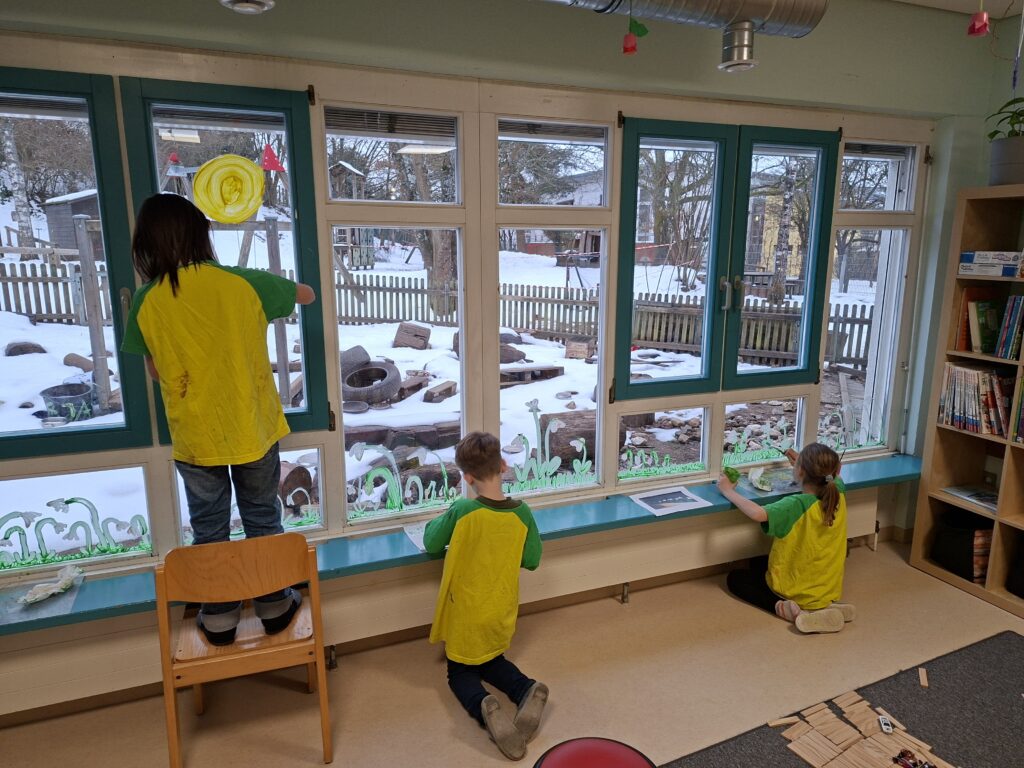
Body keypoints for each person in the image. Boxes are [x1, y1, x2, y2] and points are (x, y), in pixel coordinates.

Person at [121, 193, 316, 646]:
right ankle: (273, 607)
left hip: (195, 436)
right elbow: (306, 294)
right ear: (201, 236)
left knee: (209, 527)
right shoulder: (241, 283)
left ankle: (219, 618)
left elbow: (155, 370)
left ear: (147, 244)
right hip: (252, 427)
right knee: (262, 518)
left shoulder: (147, 300)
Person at [424, 432, 548, 762]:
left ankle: (483, 705)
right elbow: (532, 559)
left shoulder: (463, 509)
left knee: (460, 672)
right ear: (504, 465)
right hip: (501, 608)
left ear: (467, 477)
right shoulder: (522, 513)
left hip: (465, 612)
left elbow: (431, 542)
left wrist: (445, 517)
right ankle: (525, 688)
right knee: (492, 660)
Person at [717, 443, 856, 634]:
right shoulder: (838, 492)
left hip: (798, 589)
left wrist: (727, 490)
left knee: (736, 579)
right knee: (758, 563)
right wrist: (802, 463)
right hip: (827, 587)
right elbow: (834, 474)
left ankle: (793, 611)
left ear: (801, 472)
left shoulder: (796, 505)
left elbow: (758, 514)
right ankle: (826, 606)